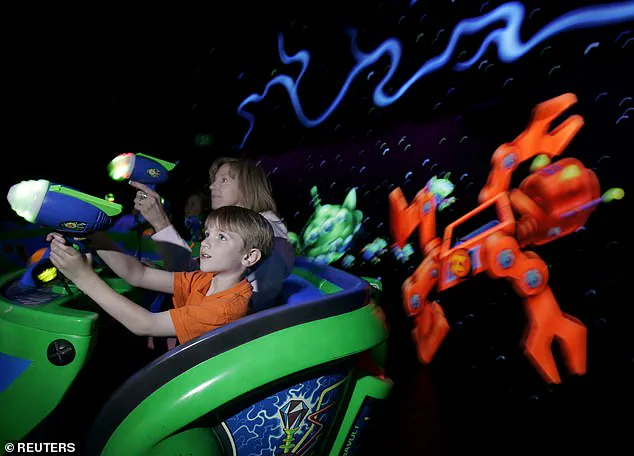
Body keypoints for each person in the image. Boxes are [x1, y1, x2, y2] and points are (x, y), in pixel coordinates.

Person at [47, 206, 274, 345]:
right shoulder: (206, 279)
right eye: (207, 234)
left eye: (221, 237)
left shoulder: (225, 309)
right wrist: (93, 237)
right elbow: (139, 274)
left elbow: (146, 324)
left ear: (249, 257)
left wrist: (83, 278)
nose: (206, 242)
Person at [130, 156, 295, 313]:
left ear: (248, 186)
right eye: (214, 181)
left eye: (224, 180)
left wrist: (160, 222)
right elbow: (197, 277)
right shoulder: (246, 229)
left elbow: (242, 304)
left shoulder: (268, 232)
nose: (212, 187)